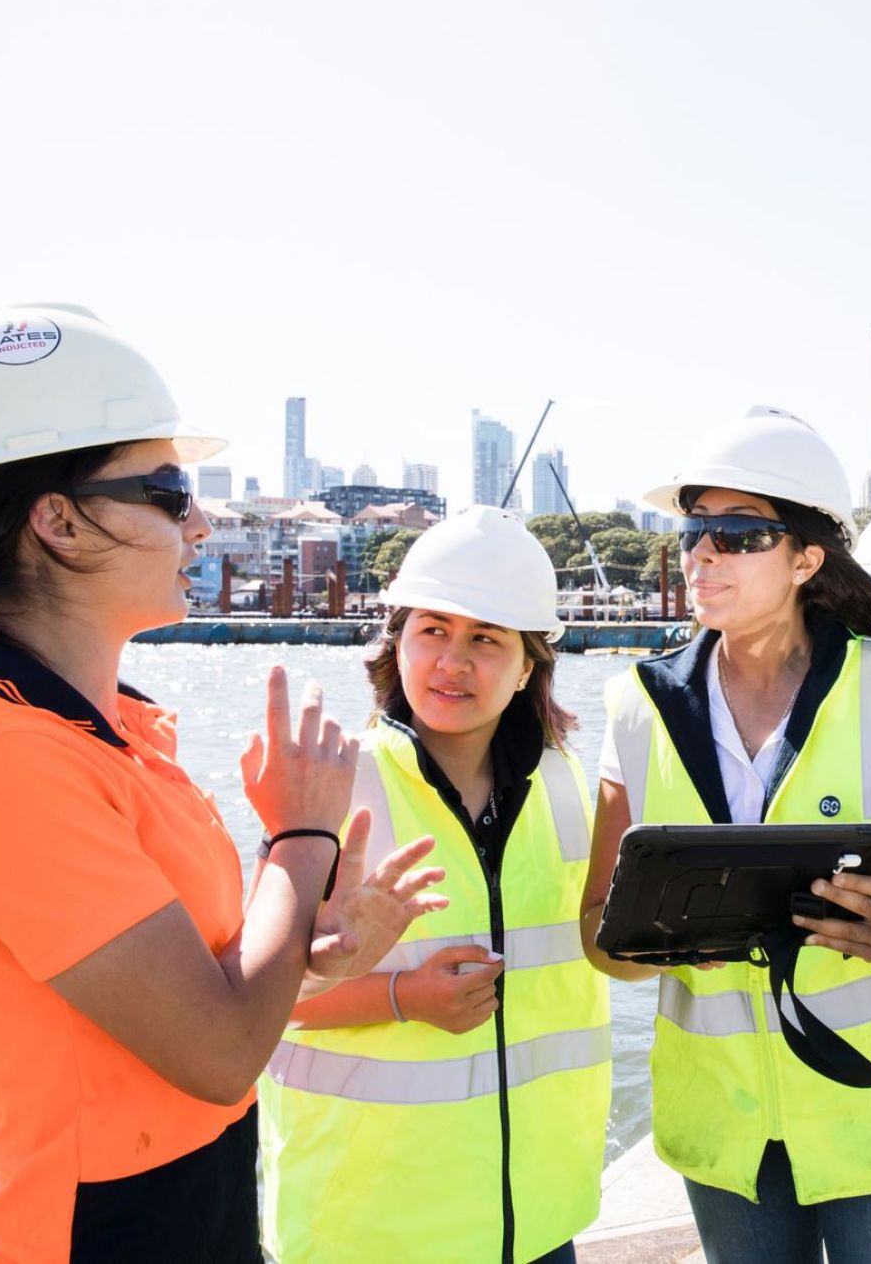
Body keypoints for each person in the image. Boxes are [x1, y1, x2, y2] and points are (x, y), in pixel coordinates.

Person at [0, 304, 445, 1263]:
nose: (203, 521)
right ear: (56, 520)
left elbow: (191, 998)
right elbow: (217, 1054)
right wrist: (301, 841)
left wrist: (309, 949)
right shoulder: (2, 760)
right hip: (93, 1230)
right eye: (171, 490)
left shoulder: (100, 727)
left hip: (193, 1210)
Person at [580, 407, 871, 1263]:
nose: (701, 552)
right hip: (728, 1135)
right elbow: (597, 933)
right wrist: (655, 946)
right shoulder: (636, 707)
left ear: (807, 558)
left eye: (736, 535)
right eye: (693, 529)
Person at [260, 506, 610, 1264]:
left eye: (485, 637)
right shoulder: (331, 780)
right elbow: (243, 1010)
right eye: (432, 629)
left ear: (527, 666)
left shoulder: (563, 783)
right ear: (397, 642)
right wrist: (399, 996)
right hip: (371, 1228)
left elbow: (593, 942)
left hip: (541, 1217)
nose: (452, 660)